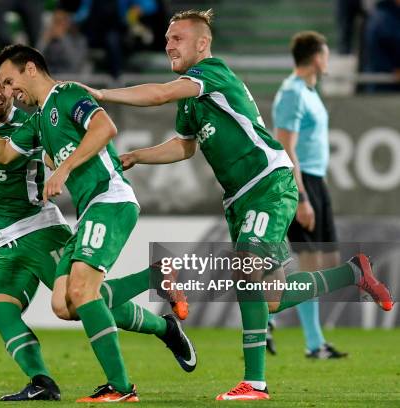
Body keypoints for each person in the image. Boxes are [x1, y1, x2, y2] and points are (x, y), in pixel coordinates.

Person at [77, 9, 394, 401]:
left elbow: (158, 93)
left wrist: (103, 94)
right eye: (167, 38)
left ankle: (255, 384)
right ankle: (353, 272)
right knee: (271, 298)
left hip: (268, 183)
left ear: (202, 43)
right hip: (241, 199)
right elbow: (185, 146)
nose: (168, 44)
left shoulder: (212, 72)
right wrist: (139, 155)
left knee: (246, 265)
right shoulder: (191, 98)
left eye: (177, 38)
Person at [0, 53, 194, 401]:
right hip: (6, 241)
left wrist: (61, 166)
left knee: (80, 300)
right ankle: (41, 381)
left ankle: (153, 330)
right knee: (3, 307)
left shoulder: (33, 122)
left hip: (40, 229)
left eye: (5, 84)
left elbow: (14, 151)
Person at [268, 31, 348, 360]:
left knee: (324, 262)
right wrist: (301, 197)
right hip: (301, 183)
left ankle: (272, 319)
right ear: (316, 57)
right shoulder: (292, 94)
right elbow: (286, 148)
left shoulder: (309, 92)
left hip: (317, 180)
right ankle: (310, 341)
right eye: (326, 54)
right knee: (311, 262)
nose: (327, 60)